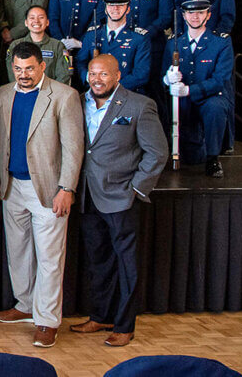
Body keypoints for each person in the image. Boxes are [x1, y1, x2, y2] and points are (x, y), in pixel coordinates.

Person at [0, 41, 84, 348]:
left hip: (48, 189)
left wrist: (66, 188)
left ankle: (47, 320)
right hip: (11, 185)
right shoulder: (4, 93)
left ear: (42, 66)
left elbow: (73, 147)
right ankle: (25, 304)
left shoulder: (63, 96)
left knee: (50, 258)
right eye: (18, 68)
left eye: (29, 68)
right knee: (19, 252)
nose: (23, 74)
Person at [71, 54, 168, 348]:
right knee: (98, 260)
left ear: (117, 76)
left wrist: (137, 190)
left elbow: (157, 153)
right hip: (87, 195)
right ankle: (100, 316)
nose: (96, 79)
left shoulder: (140, 105)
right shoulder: (77, 101)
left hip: (121, 197)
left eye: (103, 74)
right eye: (92, 74)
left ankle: (125, 325)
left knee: (126, 265)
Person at [162, 0, 233, 177]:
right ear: (184, 16)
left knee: (216, 108)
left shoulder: (221, 42)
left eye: (200, 12)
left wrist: (188, 90)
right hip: (183, 101)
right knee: (191, 157)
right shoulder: (174, 43)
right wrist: (167, 79)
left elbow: (220, 80)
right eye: (190, 13)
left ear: (208, 15)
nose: (195, 16)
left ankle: (213, 159)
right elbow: (164, 73)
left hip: (209, 97)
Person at [76, 0, 151, 92]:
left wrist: (111, 88)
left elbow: (141, 74)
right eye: (111, 4)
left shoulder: (139, 38)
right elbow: (81, 62)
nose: (115, 8)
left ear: (128, 9)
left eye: (121, 4)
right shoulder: (92, 34)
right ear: (105, 9)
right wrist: (88, 77)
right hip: (95, 93)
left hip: (126, 95)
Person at [5, 6, 73, 85]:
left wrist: (52, 93)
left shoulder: (57, 46)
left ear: (47, 22)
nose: (36, 21)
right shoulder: (15, 45)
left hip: (51, 93)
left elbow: (63, 75)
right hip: (22, 91)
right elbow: (12, 74)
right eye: (32, 18)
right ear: (26, 23)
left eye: (41, 17)